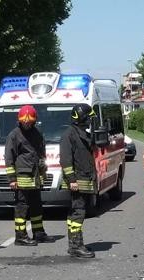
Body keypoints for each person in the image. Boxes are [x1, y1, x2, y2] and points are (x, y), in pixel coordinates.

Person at [5, 105, 50, 246]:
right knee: (22, 207)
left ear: (34, 121)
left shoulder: (37, 133)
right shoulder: (14, 135)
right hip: (22, 177)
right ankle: (20, 236)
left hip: (35, 177)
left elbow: (42, 154)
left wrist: (43, 172)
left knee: (37, 205)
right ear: (20, 121)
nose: (27, 123)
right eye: (25, 121)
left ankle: (38, 233)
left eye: (29, 121)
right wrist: (12, 179)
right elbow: (9, 158)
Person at [59, 104, 97, 259]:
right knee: (78, 212)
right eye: (89, 117)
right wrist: (72, 180)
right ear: (82, 117)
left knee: (76, 211)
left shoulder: (81, 133)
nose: (90, 120)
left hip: (84, 178)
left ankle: (74, 244)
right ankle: (76, 246)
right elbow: (66, 160)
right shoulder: (69, 135)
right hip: (77, 180)